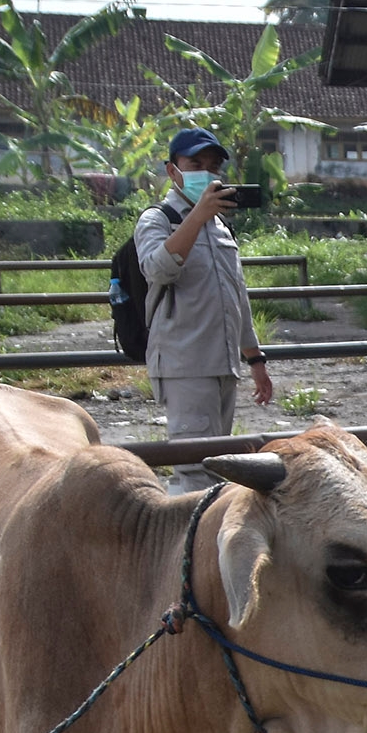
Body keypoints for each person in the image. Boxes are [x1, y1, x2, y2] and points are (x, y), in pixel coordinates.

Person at [134, 127, 271, 489]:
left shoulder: (221, 225)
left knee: (219, 464)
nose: (207, 173)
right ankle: (189, 527)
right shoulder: (157, 219)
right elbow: (157, 270)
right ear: (172, 170)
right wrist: (196, 216)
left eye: (213, 166)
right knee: (195, 469)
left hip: (223, 363)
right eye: (196, 164)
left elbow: (235, 295)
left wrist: (255, 359)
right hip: (185, 363)